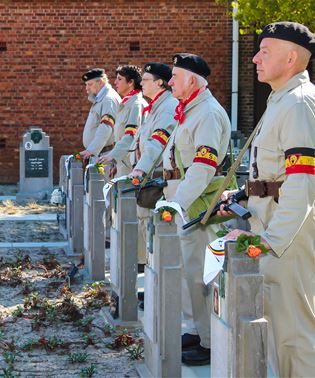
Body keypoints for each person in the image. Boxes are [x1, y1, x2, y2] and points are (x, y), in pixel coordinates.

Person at [219, 22, 315, 377]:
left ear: (292, 57)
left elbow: (301, 185)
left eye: (264, 51)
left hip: (288, 235)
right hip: (275, 228)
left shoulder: (298, 104)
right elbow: (276, 174)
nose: (254, 58)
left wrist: (270, 241)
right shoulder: (282, 100)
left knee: (293, 336)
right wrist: (242, 194)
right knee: (279, 335)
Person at [162, 53, 231, 366]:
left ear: (192, 79)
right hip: (187, 199)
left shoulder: (207, 114)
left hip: (198, 204)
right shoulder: (191, 110)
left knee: (203, 276)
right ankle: (197, 329)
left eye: (175, 76)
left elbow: (203, 167)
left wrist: (178, 204)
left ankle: (210, 341)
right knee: (190, 274)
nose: (170, 81)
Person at [128, 62, 178, 271]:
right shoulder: (155, 106)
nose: (141, 83)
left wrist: (140, 169)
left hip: (154, 176)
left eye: (146, 80)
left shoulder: (167, 107)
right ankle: (148, 269)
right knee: (145, 224)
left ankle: (153, 273)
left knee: (152, 228)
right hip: (146, 174)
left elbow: (156, 142)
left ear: (160, 83)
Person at [97, 65, 147, 177]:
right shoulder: (126, 104)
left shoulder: (136, 105)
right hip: (123, 162)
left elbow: (131, 136)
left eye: (120, 79)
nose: (115, 82)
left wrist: (113, 155)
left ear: (130, 83)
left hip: (131, 164)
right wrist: (115, 162)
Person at [80, 68, 121, 160]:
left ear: (101, 82)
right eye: (86, 85)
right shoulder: (101, 98)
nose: (87, 88)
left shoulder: (108, 99)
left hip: (104, 154)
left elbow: (106, 127)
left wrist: (92, 150)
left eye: (89, 84)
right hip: (99, 153)